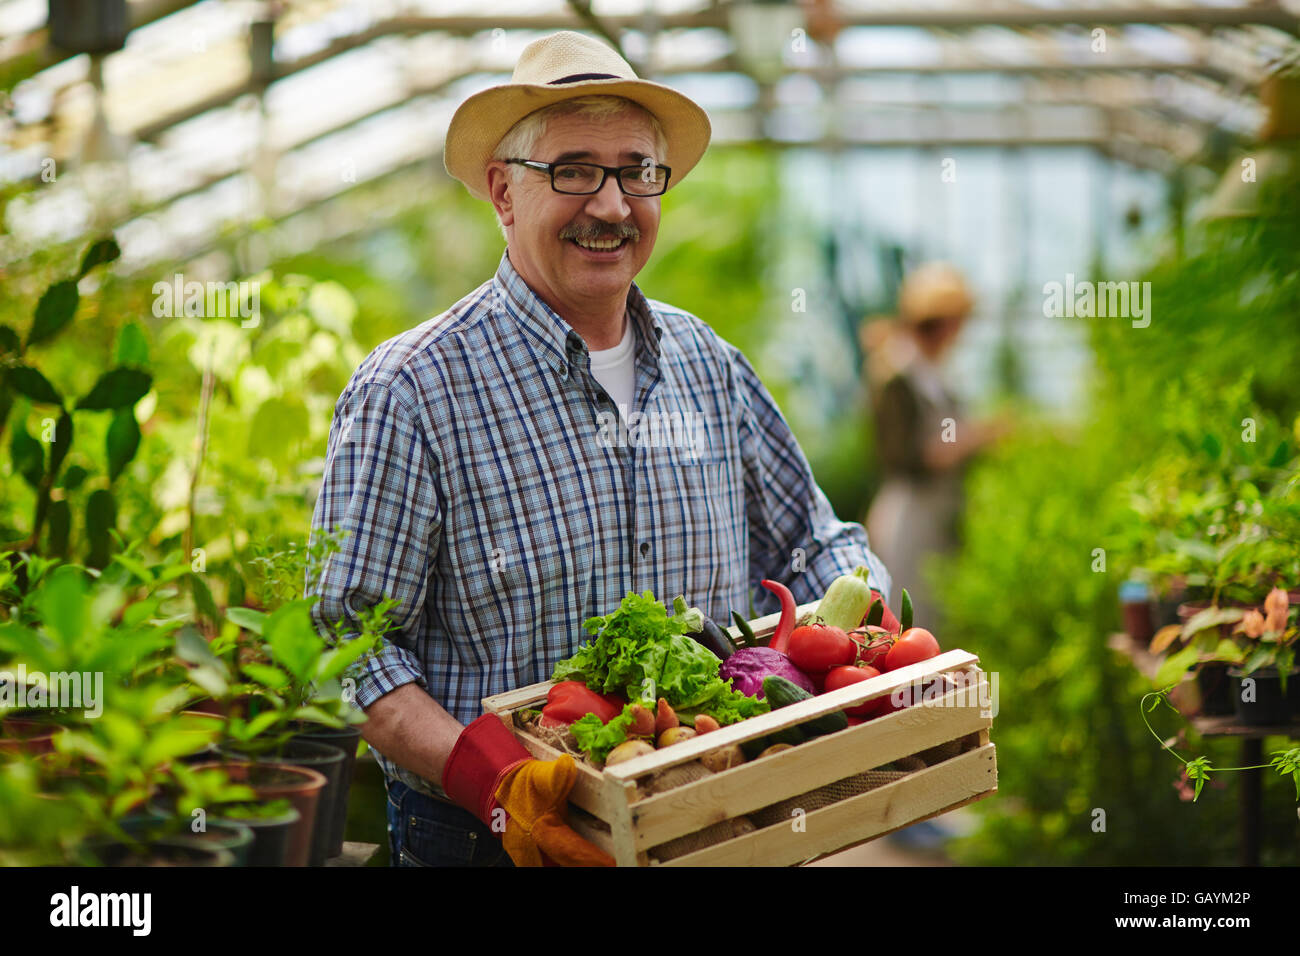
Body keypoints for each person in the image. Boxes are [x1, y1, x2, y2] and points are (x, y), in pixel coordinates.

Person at [307, 31, 893, 868]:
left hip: (716, 818)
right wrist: (493, 781)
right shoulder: (412, 391)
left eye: (636, 172)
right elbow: (344, 643)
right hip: (489, 843)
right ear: (503, 192)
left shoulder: (708, 366)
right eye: (573, 170)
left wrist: (869, 627)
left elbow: (814, 542)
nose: (612, 205)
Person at [863, 263, 1003, 632]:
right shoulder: (897, 375)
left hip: (938, 513)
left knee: (937, 619)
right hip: (910, 517)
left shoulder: (934, 373)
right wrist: (974, 438)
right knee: (913, 623)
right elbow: (904, 454)